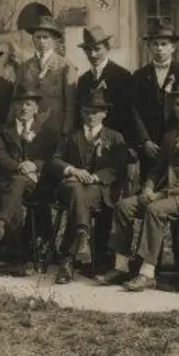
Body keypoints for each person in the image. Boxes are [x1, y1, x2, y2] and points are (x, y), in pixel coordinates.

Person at [103, 82, 179, 292]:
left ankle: (147, 273)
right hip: (164, 192)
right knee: (123, 206)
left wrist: (159, 195)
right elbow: (157, 169)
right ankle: (121, 267)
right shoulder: (170, 135)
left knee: (155, 210)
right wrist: (148, 187)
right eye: (177, 104)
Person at [49, 91, 130, 284]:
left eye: (96, 112)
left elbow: (118, 167)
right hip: (70, 187)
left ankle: (68, 259)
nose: (91, 116)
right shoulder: (72, 136)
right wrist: (73, 170)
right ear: (81, 113)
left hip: (98, 189)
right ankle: (83, 238)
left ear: (104, 114)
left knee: (80, 200)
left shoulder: (115, 137)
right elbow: (54, 160)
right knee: (77, 191)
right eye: (87, 111)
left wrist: (95, 177)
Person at [0, 85, 60, 271]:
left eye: (28, 104)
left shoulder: (47, 133)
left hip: (38, 186)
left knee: (15, 191)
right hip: (8, 183)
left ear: (36, 108)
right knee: (14, 193)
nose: (23, 108)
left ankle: (2, 228)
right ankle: (18, 258)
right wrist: (18, 166)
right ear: (13, 107)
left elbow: (51, 157)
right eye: (20, 104)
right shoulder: (2, 130)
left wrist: (35, 165)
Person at [128, 23, 179, 151]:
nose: (159, 49)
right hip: (150, 142)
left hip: (178, 139)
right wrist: (145, 140)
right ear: (149, 47)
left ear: (173, 47)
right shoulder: (140, 75)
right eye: (155, 44)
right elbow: (134, 110)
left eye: (164, 44)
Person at [13, 14, 75, 142]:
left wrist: (66, 131)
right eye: (38, 37)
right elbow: (16, 100)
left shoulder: (66, 66)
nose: (41, 42)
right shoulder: (24, 67)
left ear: (54, 39)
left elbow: (70, 106)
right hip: (30, 130)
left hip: (55, 129)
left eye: (45, 37)